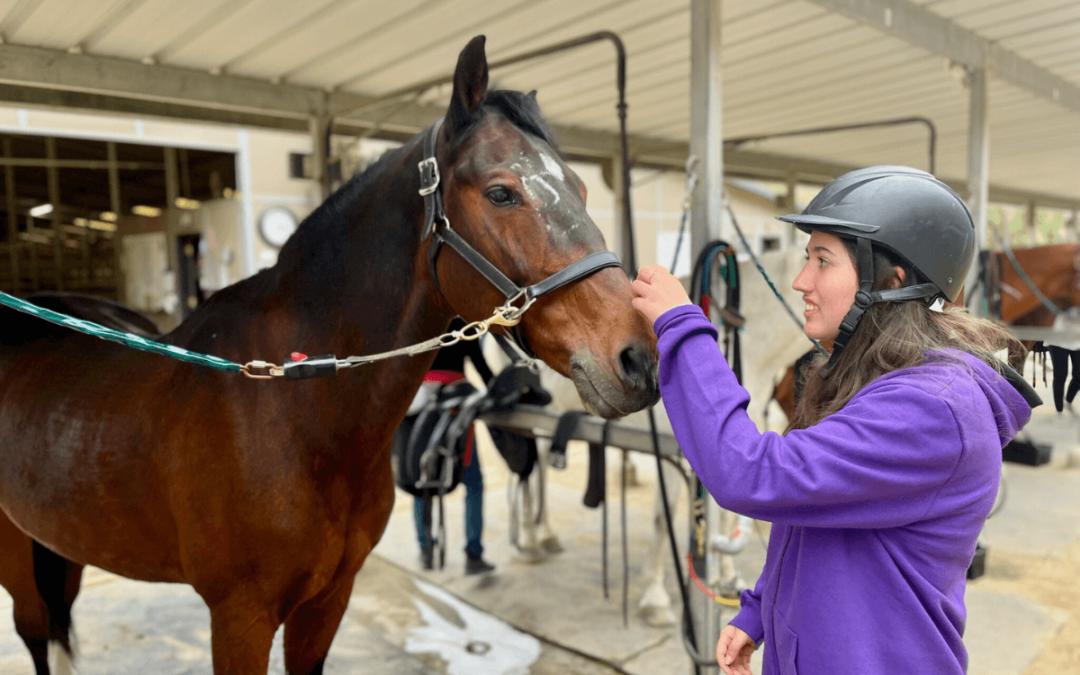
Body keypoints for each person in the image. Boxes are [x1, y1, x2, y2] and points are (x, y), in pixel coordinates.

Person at [631, 166, 1038, 675]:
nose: (802, 281)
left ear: (893, 281)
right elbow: (816, 506)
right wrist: (763, 608)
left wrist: (683, 327)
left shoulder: (932, 408)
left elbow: (754, 475)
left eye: (823, 261)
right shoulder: (879, 379)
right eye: (807, 258)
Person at [414, 318, 497, 576]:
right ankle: (473, 553)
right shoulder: (462, 322)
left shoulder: (420, 315)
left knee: (422, 477)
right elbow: (483, 369)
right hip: (455, 407)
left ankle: (426, 549)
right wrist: (502, 390)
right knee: (473, 482)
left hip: (421, 406)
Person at [1043, 309, 1080, 412]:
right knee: (1061, 374)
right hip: (1057, 339)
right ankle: (1059, 409)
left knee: (1079, 375)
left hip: (1077, 339)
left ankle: (1068, 400)